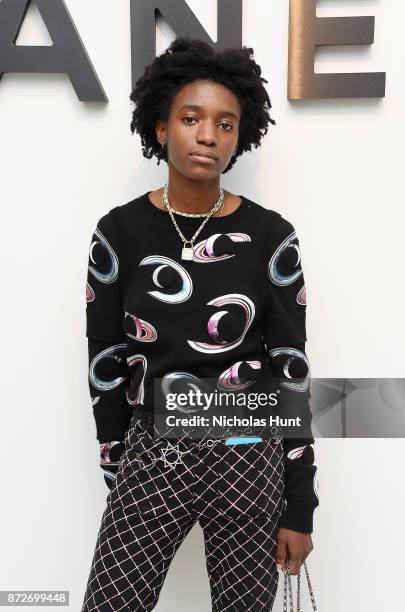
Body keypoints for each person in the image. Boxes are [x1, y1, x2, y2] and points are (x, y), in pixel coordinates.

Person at [82, 36, 319, 612]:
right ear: (161, 128)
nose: (209, 135)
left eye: (226, 123)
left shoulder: (270, 237)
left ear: (242, 136)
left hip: (248, 454)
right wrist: (119, 468)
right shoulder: (120, 233)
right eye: (191, 119)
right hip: (153, 452)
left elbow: (291, 368)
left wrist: (298, 504)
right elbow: (105, 358)